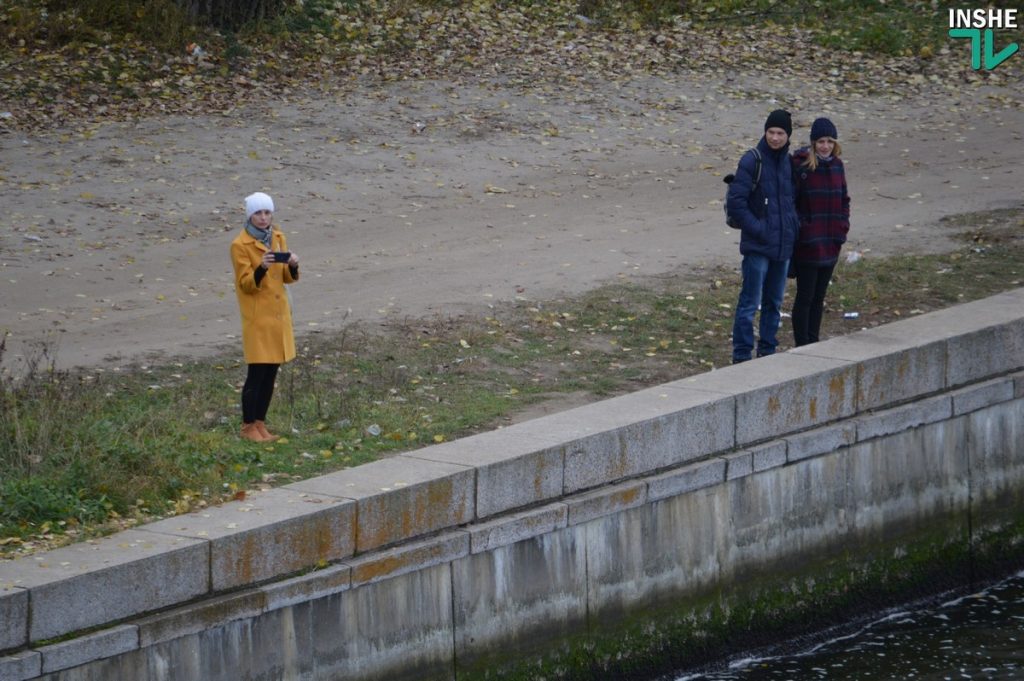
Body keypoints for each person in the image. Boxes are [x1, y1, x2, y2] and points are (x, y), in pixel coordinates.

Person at [726, 109, 800, 363]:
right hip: (758, 246)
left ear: (788, 135)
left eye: (780, 133)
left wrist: (792, 229)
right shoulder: (752, 160)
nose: (775, 138)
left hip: (782, 246)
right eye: (771, 132)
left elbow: (792, 202)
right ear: (765, 132)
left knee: (774, 303)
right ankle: (742, 354)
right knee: (749, 303)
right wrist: (759, 229)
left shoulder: (789, 163)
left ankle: (768, 350)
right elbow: (736, 202)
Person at [230, 192, 300, 442]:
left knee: (271, 373)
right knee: (256, 374)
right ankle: (248, 427)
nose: (263, 218)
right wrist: (261, 266)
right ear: (250, 215)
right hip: (258, 319)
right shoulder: (240, 245)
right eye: (258, 213)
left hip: (278, 317)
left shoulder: (278, 237)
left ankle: (260, 423)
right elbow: (246, 285)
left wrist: (292, 264)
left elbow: (286, 278)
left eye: (267, 212)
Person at [790, 117, 850, 347]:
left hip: (831, 242)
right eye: (820, 141)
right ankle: (802, 344)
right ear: (813, 143)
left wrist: (841, 228)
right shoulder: (802, 166)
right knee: (805, 297)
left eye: (829, 141)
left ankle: (813, 342)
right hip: (809, 244)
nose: (825, 146)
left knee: (819, 298)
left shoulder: (837, 166)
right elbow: (793, 203)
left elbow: (844, 199)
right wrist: (805, 230)